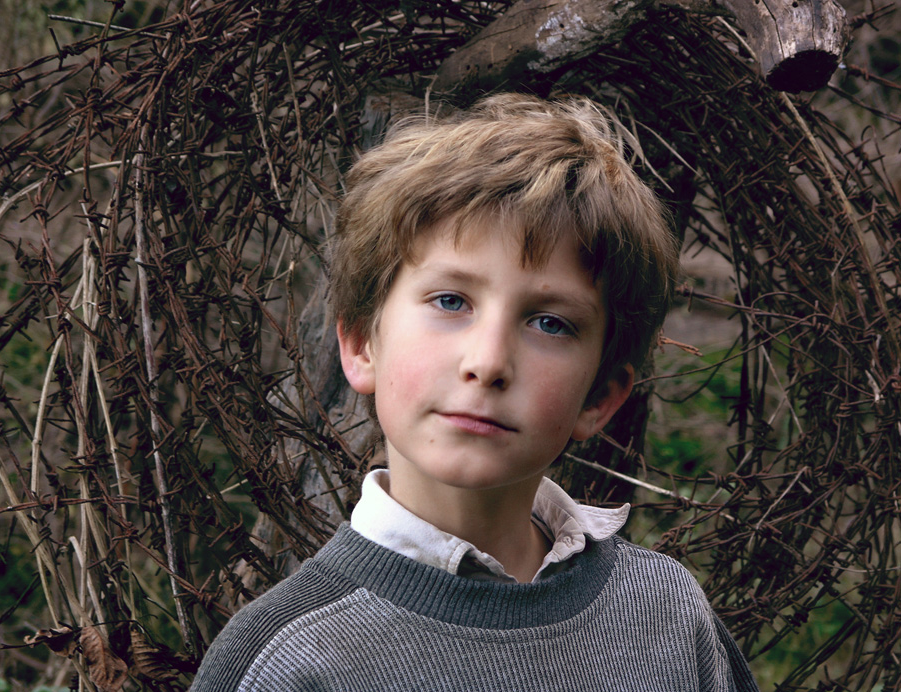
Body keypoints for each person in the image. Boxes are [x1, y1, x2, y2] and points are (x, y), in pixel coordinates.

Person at [191, 94, 759, 691]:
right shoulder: (283, 660)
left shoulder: (667, 618)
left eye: (550, 323)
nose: (487, 363)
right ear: (361, 344)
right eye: (450, 301)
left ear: (600, 398)